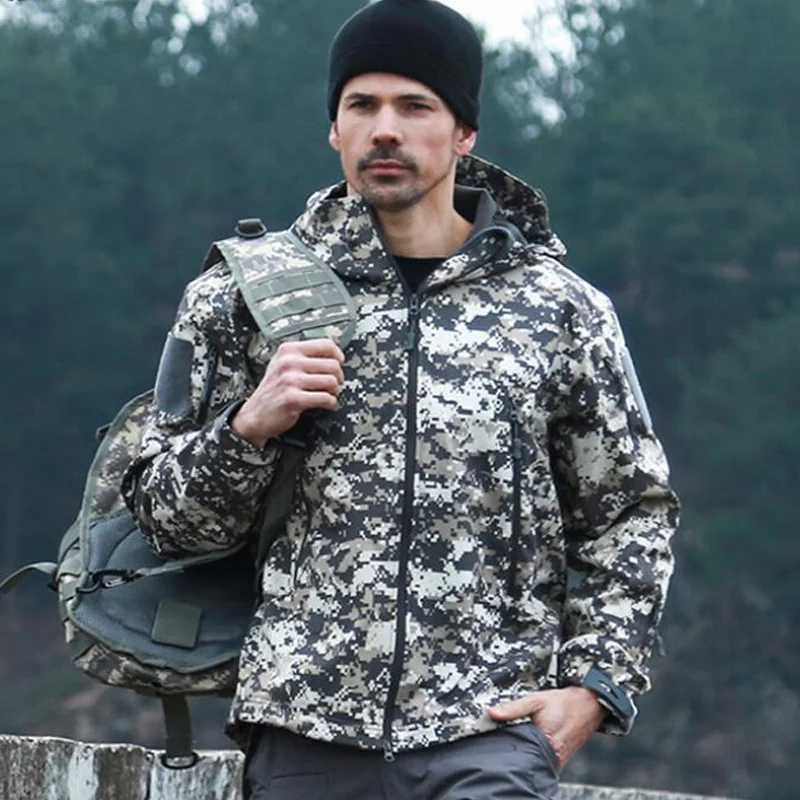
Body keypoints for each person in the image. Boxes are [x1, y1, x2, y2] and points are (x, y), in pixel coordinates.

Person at [123, 1, 678, 797]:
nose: (386, 130)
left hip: (490, 729)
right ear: (335, 128)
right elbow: (167, 524)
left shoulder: (561, 310)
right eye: (363, 105)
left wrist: (595, 686)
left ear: (464, 131)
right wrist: (249, 427)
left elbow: (629, 513)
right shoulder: (240, 297)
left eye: (415, 106)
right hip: (306, 730)